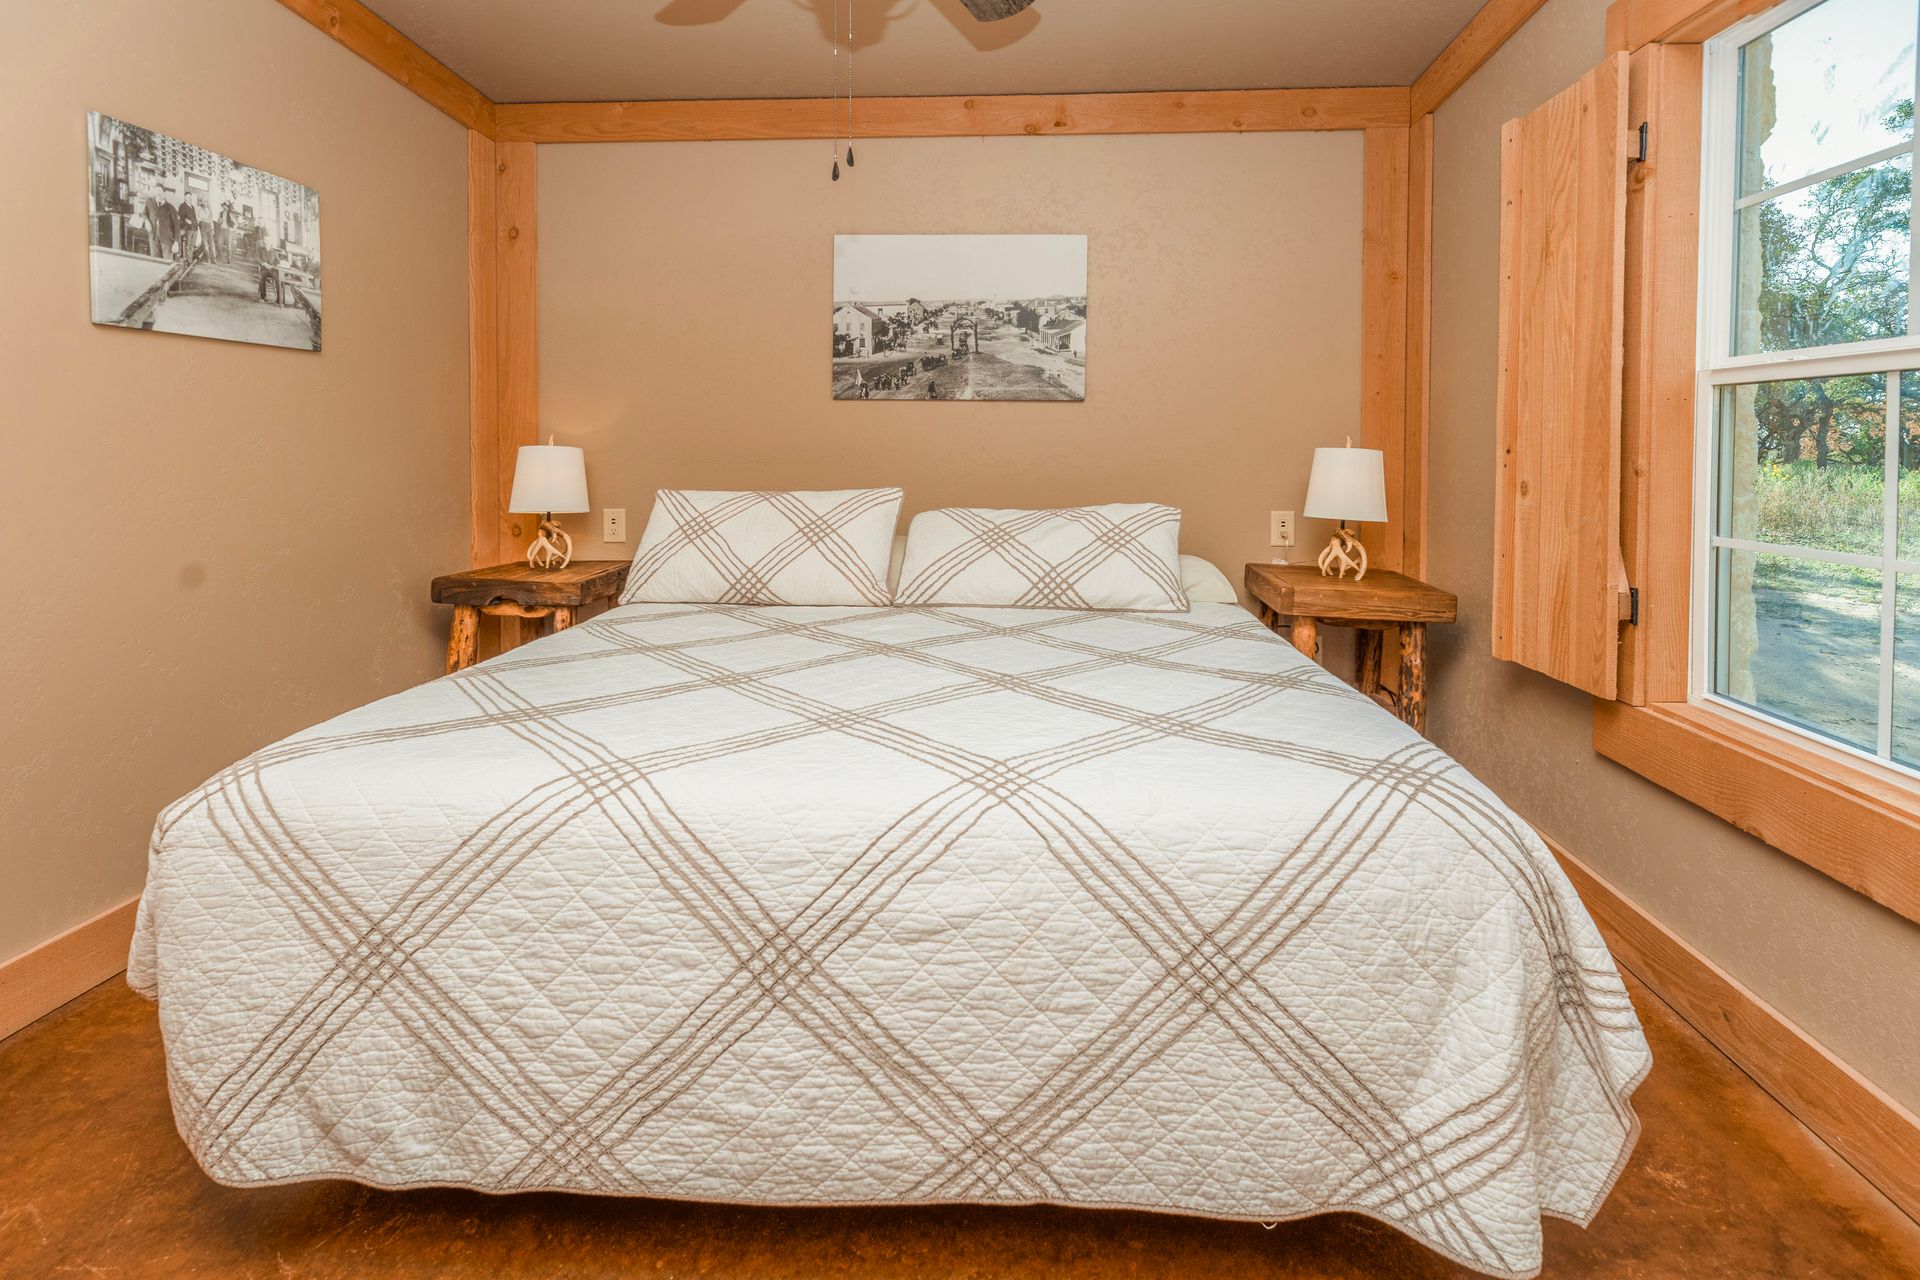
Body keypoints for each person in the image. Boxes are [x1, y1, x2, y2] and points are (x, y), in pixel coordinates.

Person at [143, 189, 175, 262]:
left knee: (167, 261)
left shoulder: (170, 207)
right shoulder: (149, 203)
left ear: (164, 193)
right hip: (153, 235)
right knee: (155, 260)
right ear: (154, 192)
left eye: (160, 190)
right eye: (156, 190)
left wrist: (176, 242)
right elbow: (144, 213)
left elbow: (176, 226)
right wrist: (146, 221)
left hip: (167, 237)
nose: (158, 192)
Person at [174, 194, 197, 263]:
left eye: (190, 197)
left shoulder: (192, 207)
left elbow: (194, 217)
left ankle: (190, 259)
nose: (190, 198)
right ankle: (187, 260)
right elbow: (180, 217)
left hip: (194, 228)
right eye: (188, 197)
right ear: (185, 198)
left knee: (192, 245)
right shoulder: (182, 206)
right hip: (187, 228)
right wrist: (186, 220)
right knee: (187, 245)